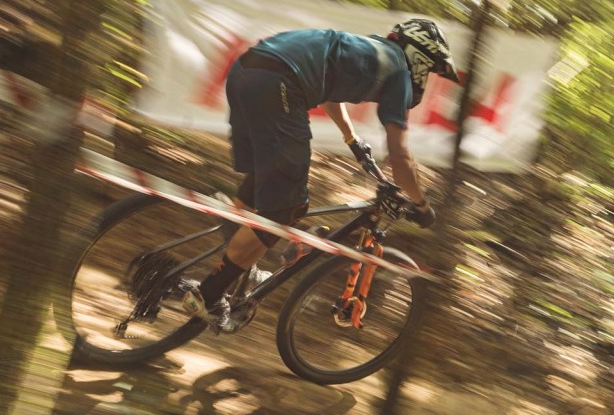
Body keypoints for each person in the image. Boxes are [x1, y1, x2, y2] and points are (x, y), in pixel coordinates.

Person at [183, 19, 460, 331]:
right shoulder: (399, 73)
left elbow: (329, 93)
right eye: (430, 70)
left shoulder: (370, 48)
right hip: (279, 84)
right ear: (420, 56)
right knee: (287, 208)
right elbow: (399, 155)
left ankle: (237, 241)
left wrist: (352, 139)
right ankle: (209, 293)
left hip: (246, 71)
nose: (426, 78)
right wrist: (422, 205)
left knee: (267, 177)